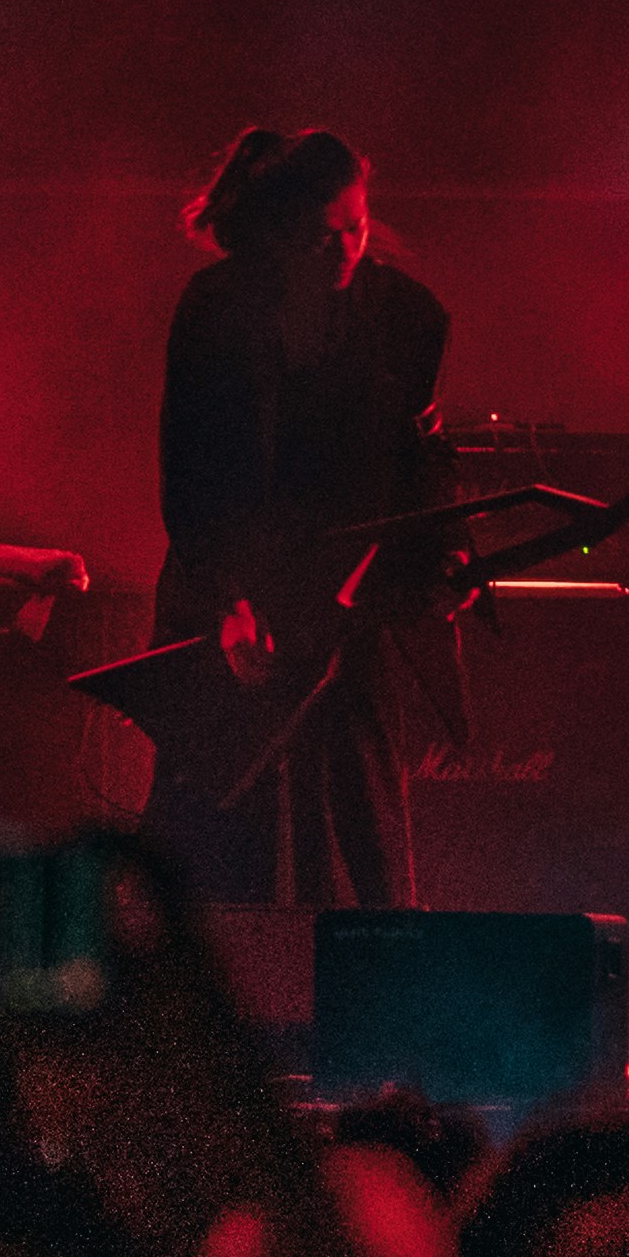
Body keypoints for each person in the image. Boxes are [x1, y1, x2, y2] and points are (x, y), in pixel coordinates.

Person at [148, 124, 462, 911]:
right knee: (222, 843)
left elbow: (424, 458)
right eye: (326, 236)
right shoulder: (217, 310)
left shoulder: (405, 317)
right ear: (279, 234)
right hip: (232, 595)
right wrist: (229, 598)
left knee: (362, 848)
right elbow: (189, 475)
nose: (348, 249)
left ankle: (369, 978)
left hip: (347, 606)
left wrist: (443, 553)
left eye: (358, 226)